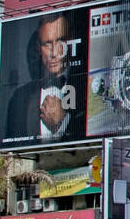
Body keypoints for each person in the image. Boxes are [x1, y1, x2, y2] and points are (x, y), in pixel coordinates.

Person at [5, 12, 80, 143]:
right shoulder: (19, 98)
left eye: (61, 41)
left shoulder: (86, 87)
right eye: (47, 44)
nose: (54, 53)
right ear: (39, 48)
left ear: (71, 41)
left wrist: (62, 123)